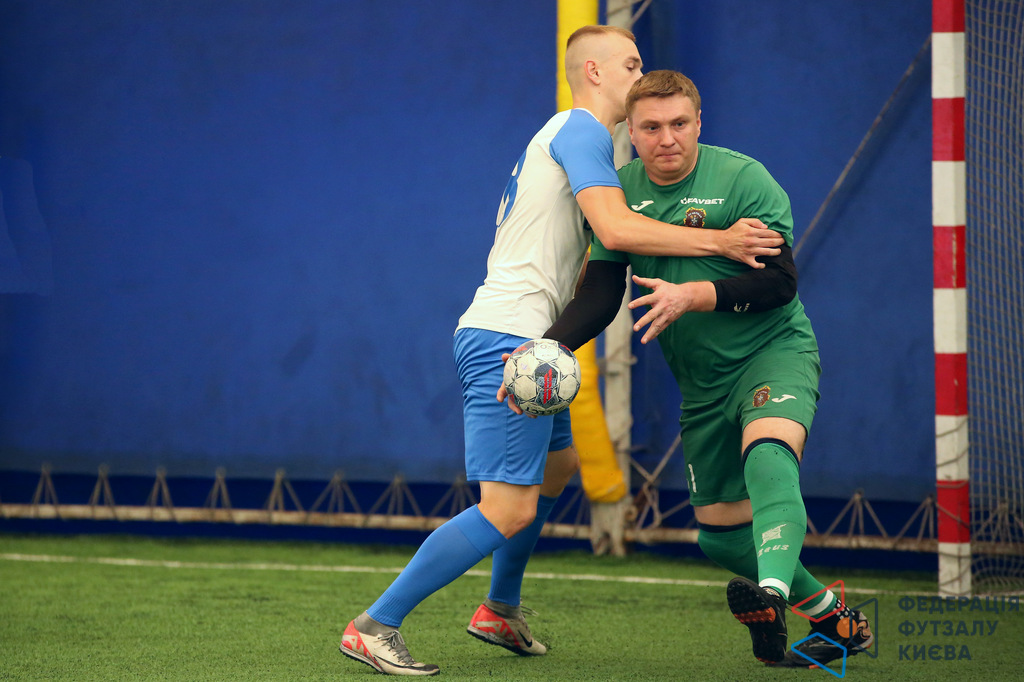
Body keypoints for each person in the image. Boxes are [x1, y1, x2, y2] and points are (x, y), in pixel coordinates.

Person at [339, 28, 784, 677]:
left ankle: (499, 610)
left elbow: (597, 269)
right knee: (507, 507)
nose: (640, 74)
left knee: (557, 467)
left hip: (528, 339)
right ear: (595, 72)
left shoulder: (581, 139)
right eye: (631, 64)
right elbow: (615, 229)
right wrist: (721, 241)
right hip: (506, 337)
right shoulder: (580, 131)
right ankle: (375, 625)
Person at [535, 70, 874, 668]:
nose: (667, 138)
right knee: (719, 534)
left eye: (679, 124)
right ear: (630, 132)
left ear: (699, 123)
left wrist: (693, 296)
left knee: (768, 456)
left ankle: (772, 597)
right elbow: (601, 292)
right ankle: (833, 616)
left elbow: (779, 283)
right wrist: (546, 349)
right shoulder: (619, 193)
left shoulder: (743, 179)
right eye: (651, 127)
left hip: (772, 351)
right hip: (702, 382)